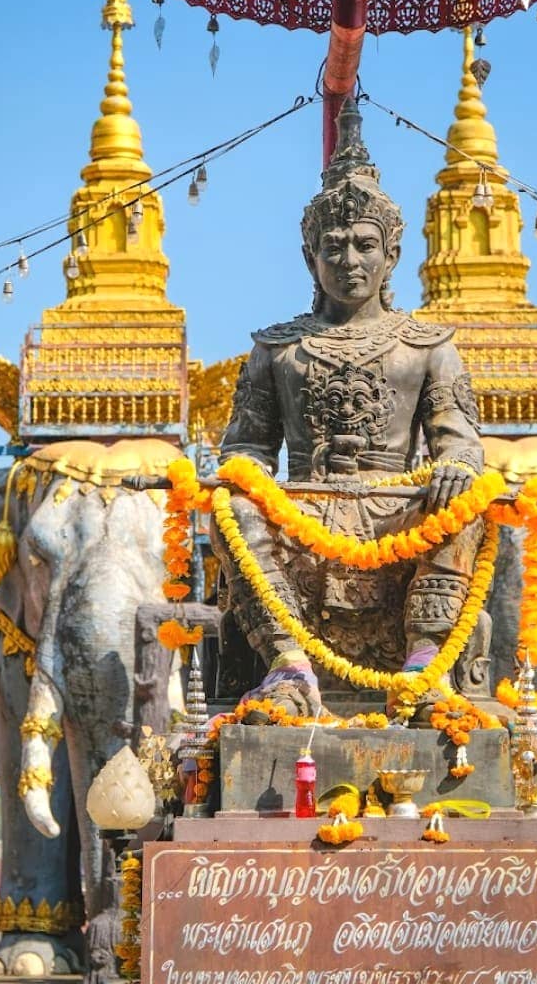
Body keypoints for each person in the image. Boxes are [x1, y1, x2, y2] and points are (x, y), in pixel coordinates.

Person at [210, 99, 485, 717]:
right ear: (311, 258)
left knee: (469, 501)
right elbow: (246, 447)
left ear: (391, 256)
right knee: (230, 505)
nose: (350, 261)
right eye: (333, 247)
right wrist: (247, 476)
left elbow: (460, 439)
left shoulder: (427, 346)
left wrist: (457, 467)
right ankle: (290, 663)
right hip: (302, 510)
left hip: (398, 509)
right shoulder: (277, 349)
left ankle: (424, 661)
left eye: (365, 245)